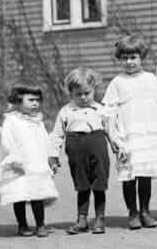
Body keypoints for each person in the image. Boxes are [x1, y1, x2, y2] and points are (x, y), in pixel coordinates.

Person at [103, 35, 157, 229]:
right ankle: (132, 213)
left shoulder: (150, 79)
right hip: (128, 134)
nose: (129, 62)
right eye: (125, 58)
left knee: (144, 174)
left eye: (133, 57)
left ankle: (145, 210)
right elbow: (109, 112)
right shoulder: (117, 82)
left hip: (148, 132)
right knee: (129, 175)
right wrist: (112, 137)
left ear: (141, 57)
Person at [49, 67, 123, 235]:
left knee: (99, 183)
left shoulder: (101, 109)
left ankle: (99, 219)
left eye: (87, 93)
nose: (83, 97)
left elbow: (110, 130)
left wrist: (115, 144)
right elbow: (57, 134)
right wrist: (53, 155)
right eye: (78, 94)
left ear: (94, 89)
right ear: (71, 93)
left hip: (97, 146)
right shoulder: (66, 111)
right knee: (82, 184)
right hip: (76, 148)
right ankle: (82, 219)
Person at [0, 81, 59, 237]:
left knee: (37, 195)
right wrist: (13, 157)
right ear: (19, 101)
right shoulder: (12, 121)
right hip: (18, 164)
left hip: (36, 164)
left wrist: (50, 159)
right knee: (19, 195)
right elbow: (7, 141)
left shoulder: (37, 121)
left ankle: (40, 225)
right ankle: (22, 225)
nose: (35, 103)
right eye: (31, 100)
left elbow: (45, 141)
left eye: (37, 100)